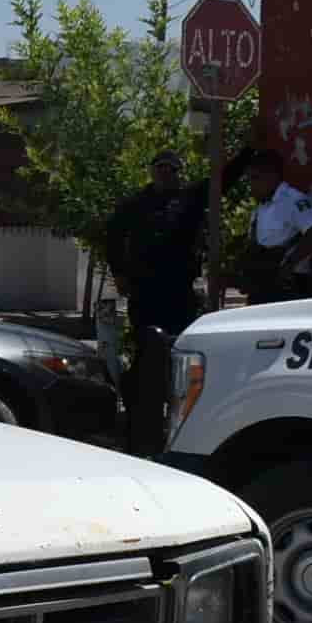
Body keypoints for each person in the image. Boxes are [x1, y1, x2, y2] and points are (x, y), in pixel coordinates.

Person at [101, 151, 207, 455]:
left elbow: (220, 182)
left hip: (180, 295)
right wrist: (119, 273)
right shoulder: (135, 205)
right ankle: (139, 433)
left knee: (179, 359)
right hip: (145, 293)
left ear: (179, 173)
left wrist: (248, 151)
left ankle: (178, 431)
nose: (165, 174)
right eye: (159, 168)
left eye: (171, 169)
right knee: (145, 359)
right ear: (152, 171)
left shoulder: (189, 200)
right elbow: (112, 236)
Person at [235, 151, 312, 304]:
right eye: (249, 179)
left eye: (255, 178)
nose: (251, 184)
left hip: (290, 286)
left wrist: (289, 265)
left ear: (272, 176)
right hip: (263, 286)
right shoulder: (260, 209)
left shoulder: (292, 200)